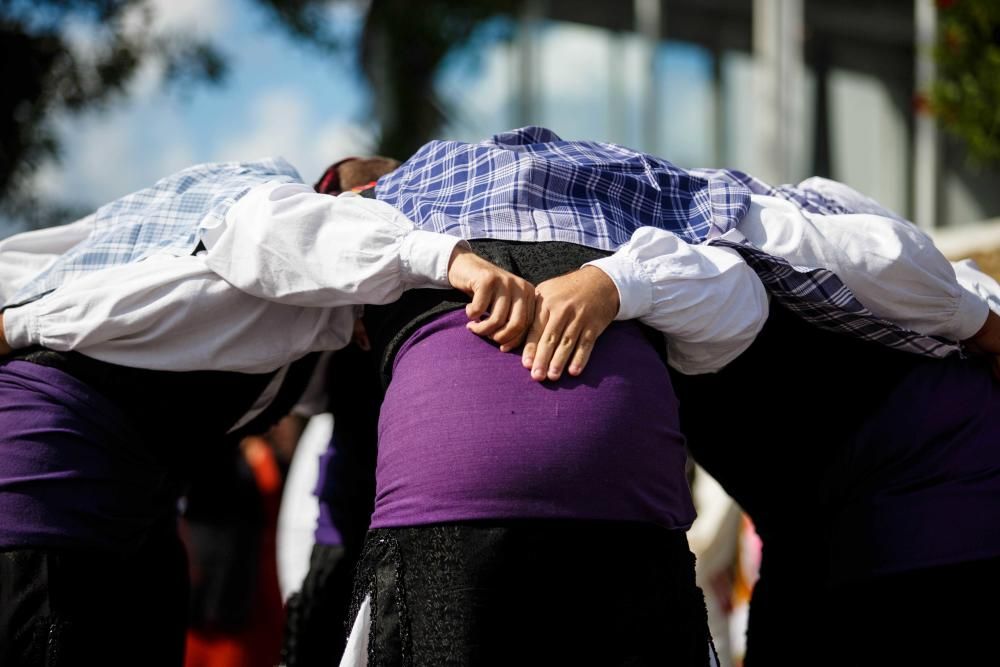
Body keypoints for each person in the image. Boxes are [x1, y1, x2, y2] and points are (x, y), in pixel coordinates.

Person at [284, 128, 1000, 665]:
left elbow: (861, 251)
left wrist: (986, 326)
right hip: (815, 511)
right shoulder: (418, 273)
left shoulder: (684, 215)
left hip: (932, 475)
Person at [0, 156, 536, 667]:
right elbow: (289, 228)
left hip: (135, 503)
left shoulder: (297, 335)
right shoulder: (262, 218)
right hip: (52, 475)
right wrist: (450, 259)